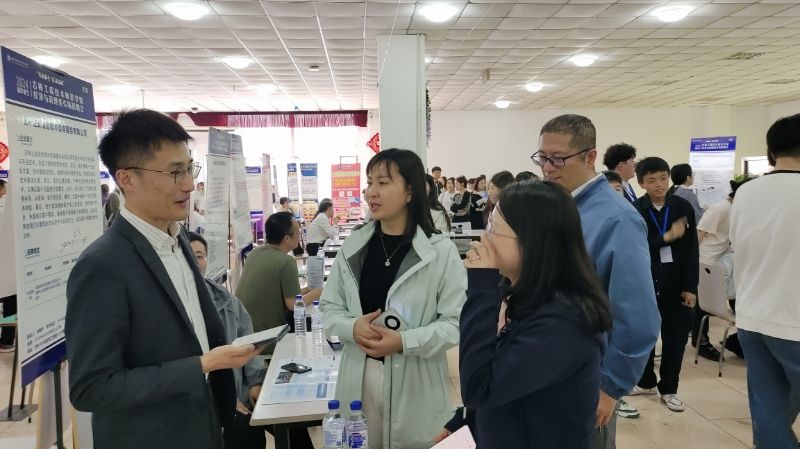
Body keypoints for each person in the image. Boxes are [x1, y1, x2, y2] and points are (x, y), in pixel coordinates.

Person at [65, 109, 260, 449]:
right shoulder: (102, 265)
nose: (188, 184)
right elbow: (91, 387)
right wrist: (201, 366)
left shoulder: (178, 237)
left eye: (188, 169)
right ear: (127, 179)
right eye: (174, 173)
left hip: (206, 429)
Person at [321, 148, 467, 449]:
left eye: (383, 183)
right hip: (359, 379)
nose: (371, 192)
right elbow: (330, 307)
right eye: (369, 182)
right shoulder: (354, 247)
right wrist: (352, 327)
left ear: (410, 191)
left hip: (416, 383)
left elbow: (455, 323)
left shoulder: (440, 252)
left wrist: (403, 341)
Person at [451, 181, 612, 448]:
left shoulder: (564, 323)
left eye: (493, 230)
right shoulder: (519, 293)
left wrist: (480, 289)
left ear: (532, 242)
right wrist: (463, 421)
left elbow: (479, 388)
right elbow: (500, 373)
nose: (484, 239)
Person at [534, 114, 660, 444]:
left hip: (586, 378)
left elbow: (638, 316)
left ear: (590, 157)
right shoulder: (556, 206)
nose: (547, 168)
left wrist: (610, 386)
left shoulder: (616, 219)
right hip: (547, 365)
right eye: (542, 157)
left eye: (557, 158)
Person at [729, 113, 800, 449]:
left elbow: (737, 243)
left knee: (769, 412)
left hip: (752, 319)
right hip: (794, 321)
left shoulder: (746, 192)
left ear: (772, 153)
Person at [630, 157, 699, 413]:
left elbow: (691, 249)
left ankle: (669, 388)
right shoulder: (635, 210)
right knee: (645, 336)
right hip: (646, 283)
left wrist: (691, 286)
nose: (659, 184)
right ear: (641, 183)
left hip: (676, 284)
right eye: (652, 180)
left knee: (675, 338)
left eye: (663, 178)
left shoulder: (682, 207)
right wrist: (665, 238)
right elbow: (636, 250)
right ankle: (645, 381)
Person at [188, 232, 268, 449]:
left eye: (200, 256)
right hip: (205, 401)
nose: (195, 262)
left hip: (240, 389)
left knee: (286, 420)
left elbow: (249, 342)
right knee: (243, 429)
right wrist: (224, 399)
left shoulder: (226, 301)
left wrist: (256, 384)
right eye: (189, 256)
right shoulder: (174, 307)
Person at [693, 177, 754, 360]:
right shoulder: (721, 208)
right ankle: (701, 341)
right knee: (704, 305)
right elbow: (699, 234)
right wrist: (690, 261)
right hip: (706, 261)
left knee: (731, 297)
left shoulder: (736, 209)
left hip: (722, 261)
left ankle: (737, 341)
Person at [237, 212, 322, 334]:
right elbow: (294, 305)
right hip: (267, 336)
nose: (299, 236)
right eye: (297, 233)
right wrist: (318, 292)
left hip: (244, 332)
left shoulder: (254, 254)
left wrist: (308, 289)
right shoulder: (286, 262)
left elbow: (280, 294)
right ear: (286, 238)